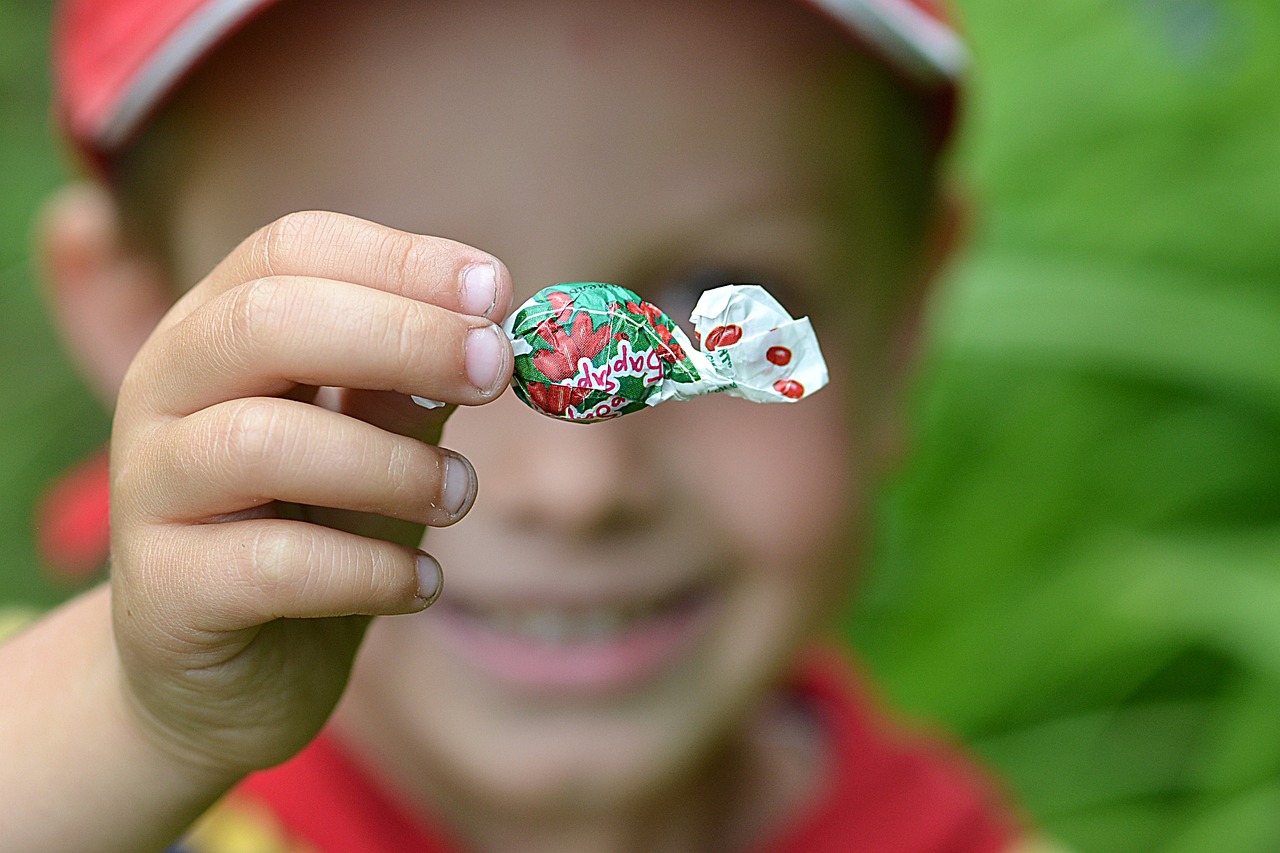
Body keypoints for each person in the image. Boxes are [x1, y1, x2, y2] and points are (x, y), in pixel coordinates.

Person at [1, 0, 1051, 850]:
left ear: (896, 327)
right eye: (388, 326)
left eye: (719, 294)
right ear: (139, 318)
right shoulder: (70, 766)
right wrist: (138, 723)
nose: (575, 483)